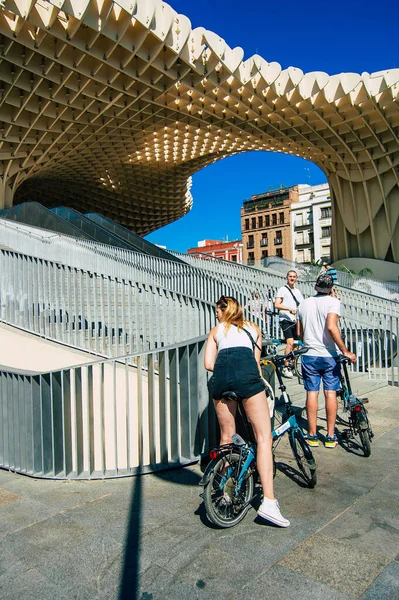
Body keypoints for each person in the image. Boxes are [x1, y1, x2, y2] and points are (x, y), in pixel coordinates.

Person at [204, 295, 289, 527]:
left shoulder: (216, 330)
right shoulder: (253, 328)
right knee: (263, 437)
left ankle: (225, 487)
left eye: (217, 311)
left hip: (221, 379)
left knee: (226, 436)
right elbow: (255, 362)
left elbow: (209, 364)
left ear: (224, 311)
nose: (216, 315)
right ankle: (269, 503)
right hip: (247, 376)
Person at [297, 274, 356, 448]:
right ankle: (330, 437)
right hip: (329, 354)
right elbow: (331, 327)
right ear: (331, 288)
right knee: (330, 393)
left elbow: (299, 333)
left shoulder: (304, 303)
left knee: (311, 393)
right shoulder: (333, 302)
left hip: (309, 355)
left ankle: (312, 435)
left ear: (316, 287)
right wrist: (345, 351)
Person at [274, 270, 304, 378]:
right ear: (287, 277)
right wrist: (289, 309)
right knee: (290, 343)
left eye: (294, 277)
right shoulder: (282, 289)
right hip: (285, 319)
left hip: (295, 320)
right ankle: (285, 366)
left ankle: (293, 365)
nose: (292, 278)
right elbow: (277, 304)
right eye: (290, 276)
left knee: (297, 344)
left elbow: (302, 305)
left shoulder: (298, 292)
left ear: (296, 278)